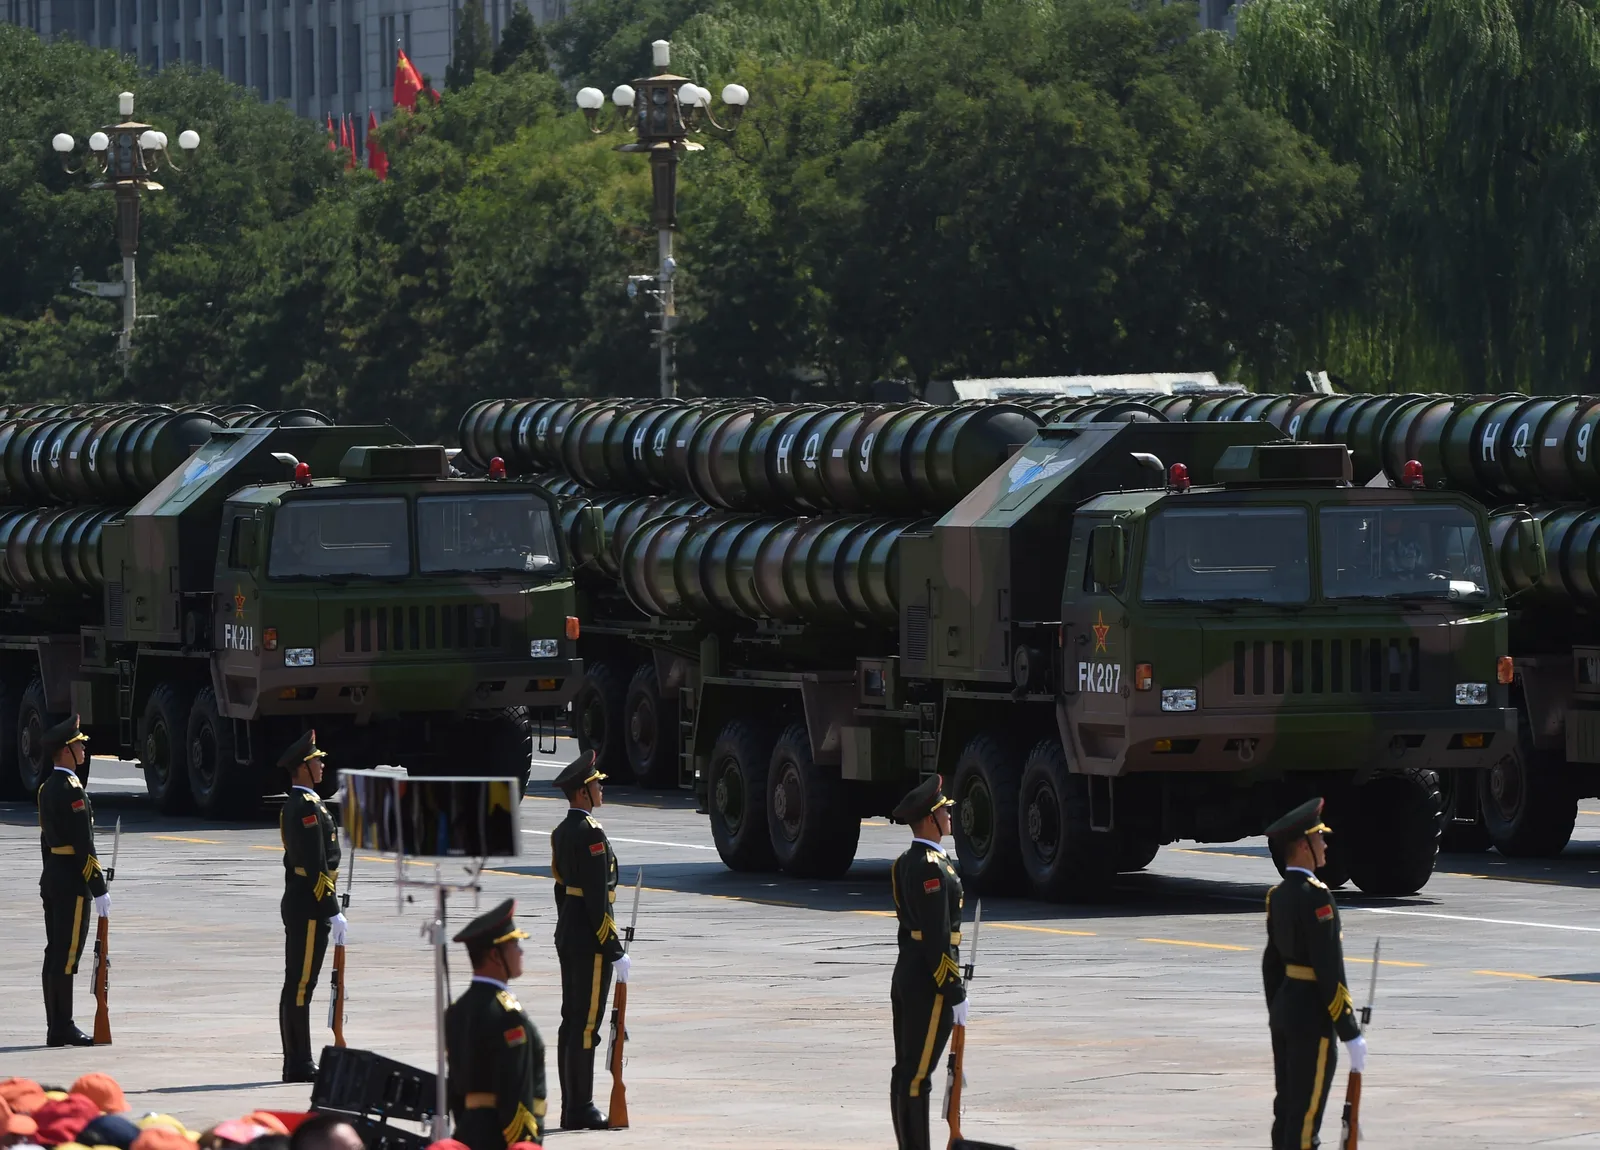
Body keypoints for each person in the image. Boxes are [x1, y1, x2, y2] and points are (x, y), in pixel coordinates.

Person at [1262, 797, 1366, 1150]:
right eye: (1319, 837)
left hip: (1285, 1011)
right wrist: (1349, 1031)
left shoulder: (1277, 896)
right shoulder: (1318, 898)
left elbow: (1271, 966)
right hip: (1311, 1018)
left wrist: (1279, 1009)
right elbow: (1329, 970)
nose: (1324, 845)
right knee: (1306, 1121)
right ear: (1304, 845)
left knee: (1286, 1110)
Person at [887, 774, 967, 1150]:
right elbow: (936, 937)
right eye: (944, 810)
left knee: (906, 1071)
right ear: (931, 818)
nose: (950, 814)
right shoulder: (932, 866)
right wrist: (954, 990)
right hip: (929, 982)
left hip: (908, 973)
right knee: (917, 1076)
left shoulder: (905, 862)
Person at [549, 751, 627, 1130]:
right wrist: (613, 948)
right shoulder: (591, 833)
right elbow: (598, 899)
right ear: (582, 792)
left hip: (569, 934)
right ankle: (581, 1107)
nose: (600, 788)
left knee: (571, 1020)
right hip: (590, 940)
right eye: (596, 784)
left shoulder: (562, 832)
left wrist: (567, 925)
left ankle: (571, 1107)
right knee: (585, 1025)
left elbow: (561, 890)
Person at [445, 898, 547, 1150]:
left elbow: (456, 1090)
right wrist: (524, 1143)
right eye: (514, 944)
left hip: (467, 1134)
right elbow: (515, 1089)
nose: (521, 952)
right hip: (502, 1139)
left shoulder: (458, 1010)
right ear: (495, 955)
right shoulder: (507, 1015)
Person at [277, 730, 347, 1083]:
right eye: (316, 760)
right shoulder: (304, 807)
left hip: (307, 901)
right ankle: (298, 1063)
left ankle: (298, 1059)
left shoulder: (307, 804)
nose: (321, 765)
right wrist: (331, 908)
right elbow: (314, 863)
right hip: (309, 904)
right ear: (303, 767)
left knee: (300, 982)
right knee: (300, 984)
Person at [36, 714, 106, 1046]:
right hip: (72, 882)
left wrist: (50, 875)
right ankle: (62, 1026)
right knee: (67, 955)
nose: (83, 750)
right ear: (66, 751)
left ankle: (55, 1025)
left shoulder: (46, 788)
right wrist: (99, 888)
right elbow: (83, 845)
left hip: (53, 876)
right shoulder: (72, 790)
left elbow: (45, 841)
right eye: (78, 745)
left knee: (55, 952)